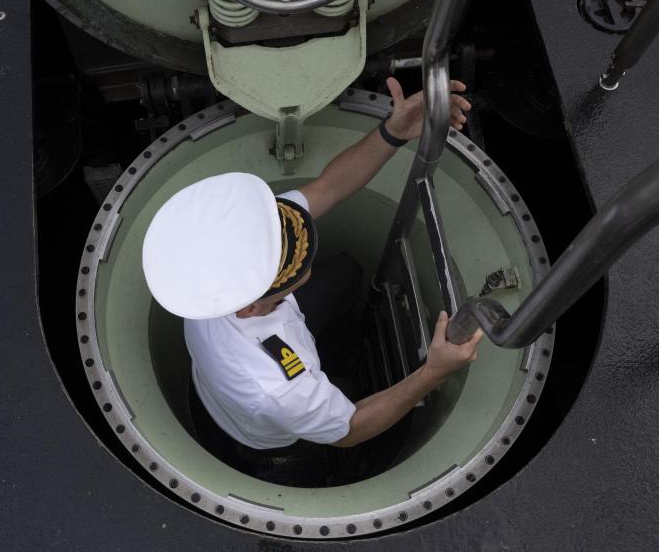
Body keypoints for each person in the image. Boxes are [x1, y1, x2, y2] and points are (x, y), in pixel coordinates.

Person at [142, 78, 484, 453]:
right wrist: (433, 371)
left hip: (268, 346)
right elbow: (350, 428)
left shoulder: (224, 261)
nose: (304, 246)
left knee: (346, 274)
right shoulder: (277, 388)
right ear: (252, 306)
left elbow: (327, 187)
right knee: (348, 398)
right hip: (263, 431)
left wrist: (393, 131)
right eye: (288, 264)